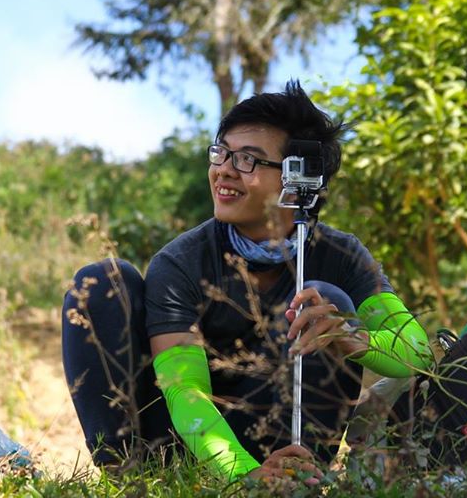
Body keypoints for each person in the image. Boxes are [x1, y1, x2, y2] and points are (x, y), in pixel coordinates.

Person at [61, 80, 431, 488]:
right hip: (189, 448)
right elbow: (184, 389)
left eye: (248, 160)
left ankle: (297, 478)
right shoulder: (181, 262)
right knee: (101, 282)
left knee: (326, 300)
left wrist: (350, 338)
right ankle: (129, 476)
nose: (223, 169)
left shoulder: (342, 255)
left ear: (298, 176)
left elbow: (417, 352)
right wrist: (244, 476)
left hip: (288, 444)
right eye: (221, 152)